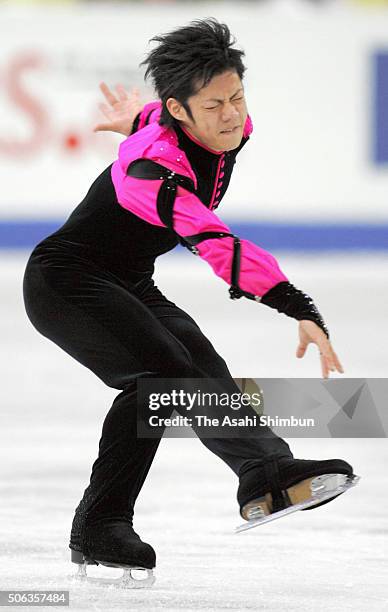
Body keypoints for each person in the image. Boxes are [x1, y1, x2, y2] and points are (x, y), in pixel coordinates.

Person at [23, 19, 355, 586]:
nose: (231, 116)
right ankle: (99, 526)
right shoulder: (146, 172)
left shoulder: (221, 124)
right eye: (214, 105)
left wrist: (136, 116)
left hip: (128, 278)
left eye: (236, 97)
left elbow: (156, 121)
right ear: (181, 110)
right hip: (66, 281)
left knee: (203, 367)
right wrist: (298, 304)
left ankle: (265, 473)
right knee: (160, 378)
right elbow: (213, 240)